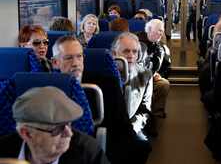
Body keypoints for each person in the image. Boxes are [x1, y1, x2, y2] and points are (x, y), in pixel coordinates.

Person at [52, 35, 151, 164]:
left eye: (79, 56)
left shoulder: (107, 84)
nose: (75, 63)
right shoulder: (47, 87)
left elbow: (122, 126)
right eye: (68, 58)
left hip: (102, 143)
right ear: (55, 63)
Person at [0, 86, 109, 164]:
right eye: (58, 129)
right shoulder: (4, 151)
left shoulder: (88, 153)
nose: (69, 133)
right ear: (27, 133)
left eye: (69, 124)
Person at [111, 32, 153, 140]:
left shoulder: (145, 75)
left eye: (135, 52)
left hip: (132, 124)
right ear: (114, 54)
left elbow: (145, 111)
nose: (131, 55)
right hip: (109, 127)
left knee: (143, 146)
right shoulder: (103, 74)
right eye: (126, 51)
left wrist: (134, 126)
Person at [138, 19, 170, 121]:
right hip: (136, 75)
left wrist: (155, 73)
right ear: (150, 30)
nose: (161, 33)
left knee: (163, 84)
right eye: (159, 30)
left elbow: (161, 66)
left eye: (162, 30)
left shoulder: (159, 47)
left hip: (150, 76)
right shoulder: (137, 41)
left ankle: (155, 113)